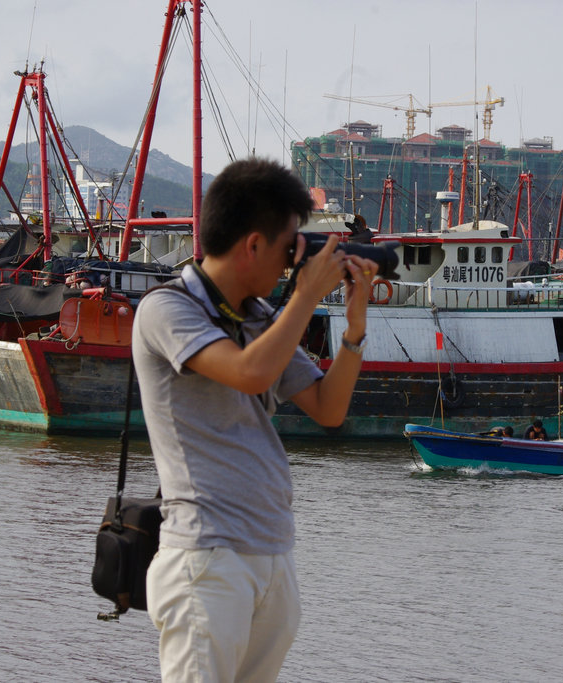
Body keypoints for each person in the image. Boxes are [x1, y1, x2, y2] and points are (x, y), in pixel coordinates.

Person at [132, 157, 379, 682]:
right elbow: (246, 372)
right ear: (252, 244)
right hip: (206, 559)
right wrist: (308, 295)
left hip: (271, 553)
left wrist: (354, 328)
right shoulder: (166, 310)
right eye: (292, 246)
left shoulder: (261, 317)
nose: (295, 262)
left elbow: (328, 409)